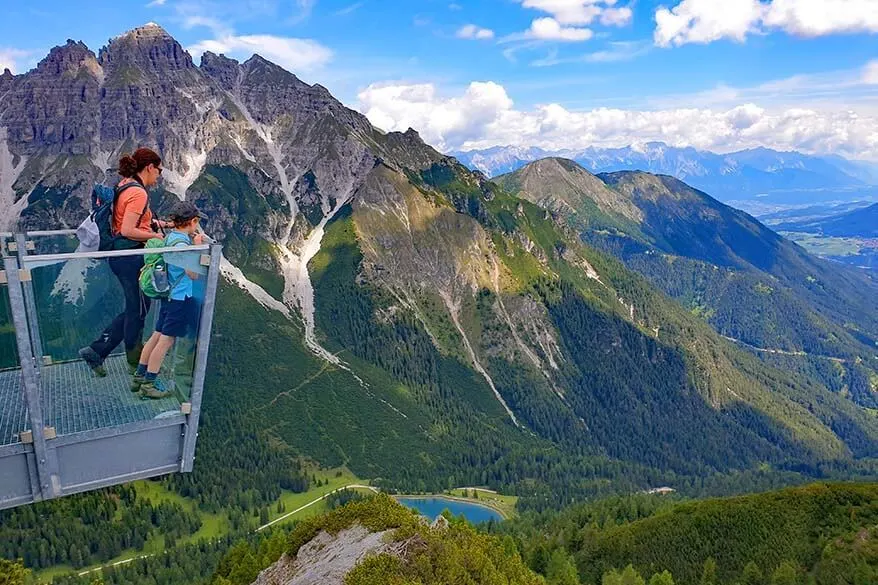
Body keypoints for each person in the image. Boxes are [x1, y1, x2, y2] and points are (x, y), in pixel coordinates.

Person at [79, 148, 169, 377]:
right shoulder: (139, 193)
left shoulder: (125, 184)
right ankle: (134, 362)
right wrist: (155, 236)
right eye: (158, 170)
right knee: (138, 310)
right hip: (130, 258)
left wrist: (163, 225)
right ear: (149, 167)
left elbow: (126, 222)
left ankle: (97, 350)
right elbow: (128, 229)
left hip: (120, 257)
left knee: (136, 308)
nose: (159, 175)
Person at [131, 201, 206, 399]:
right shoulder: (183, 245)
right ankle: (149, 384)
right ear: (193, 221)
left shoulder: (171, 237)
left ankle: (139, 375)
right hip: (180, 299)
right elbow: (193, 274)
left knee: (156, 335)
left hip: (168, 296)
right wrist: (197, 247)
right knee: (166, 341)